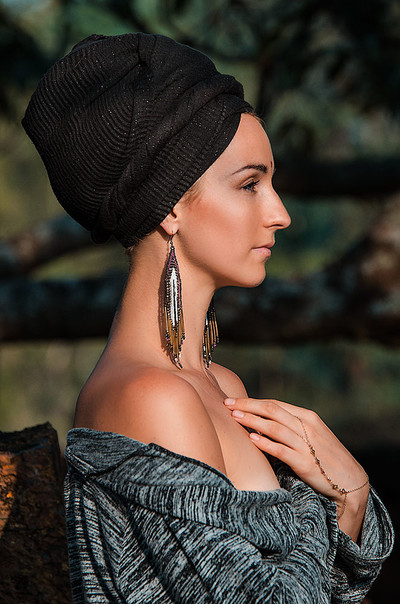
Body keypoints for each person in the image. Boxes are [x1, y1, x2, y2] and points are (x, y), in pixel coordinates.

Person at [22, 32, 393, 603]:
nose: (280, 214)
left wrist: (347, 510)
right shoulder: (148, 398)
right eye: (250, 185)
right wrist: (340, 502)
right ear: (170, 205)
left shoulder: (222, 386)